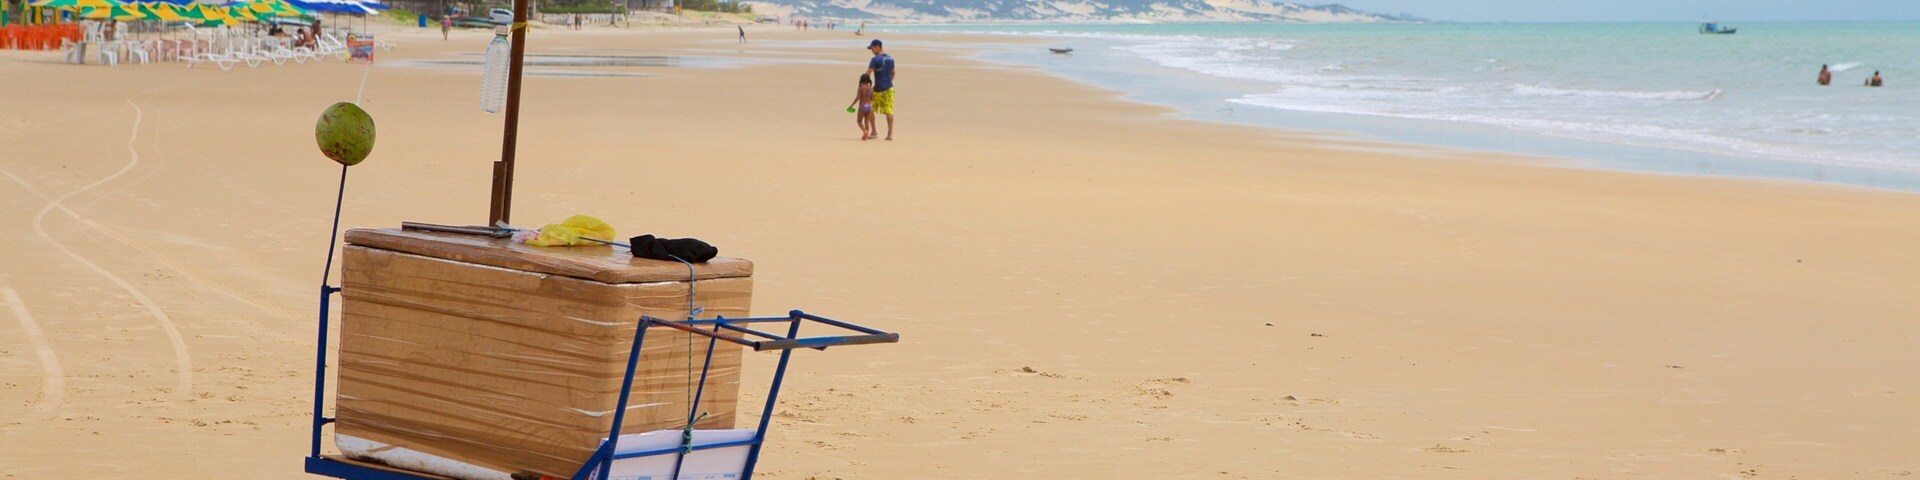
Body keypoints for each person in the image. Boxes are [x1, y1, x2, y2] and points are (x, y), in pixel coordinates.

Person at [864, 39, 897, 140]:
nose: (872, 51)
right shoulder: (890, 59)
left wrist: (865, 86)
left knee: (869, 109)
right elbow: (893, 72)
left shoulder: (875, 60)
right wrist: (888, 81)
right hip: (889, 88)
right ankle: (890, 134)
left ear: (877, 47)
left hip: (877, 89)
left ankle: (874, 132)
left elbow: (868, 72)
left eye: (872, 48)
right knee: (889, 110)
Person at [848, 73, 876, 140]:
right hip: (869, 106)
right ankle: (866, 135)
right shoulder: (871, 89)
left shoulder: (860, 88)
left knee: (859, 121)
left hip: (862, 106)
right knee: (867, 122)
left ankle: (864, 131)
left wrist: (851, 106)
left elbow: (857, 98)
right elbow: (872, 98)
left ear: (861, 80)